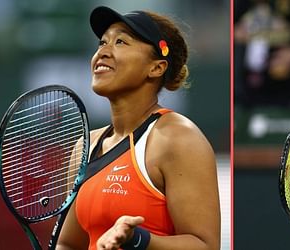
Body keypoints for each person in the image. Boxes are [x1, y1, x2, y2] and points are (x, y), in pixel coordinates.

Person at [56, 6, 221, 250]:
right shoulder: (85, 146)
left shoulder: (179, 138)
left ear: (156, 67)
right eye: (102, 42)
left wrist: (137, 240)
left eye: (120, 42)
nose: (103, 52)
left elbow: (205, 246)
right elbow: (68, 244)